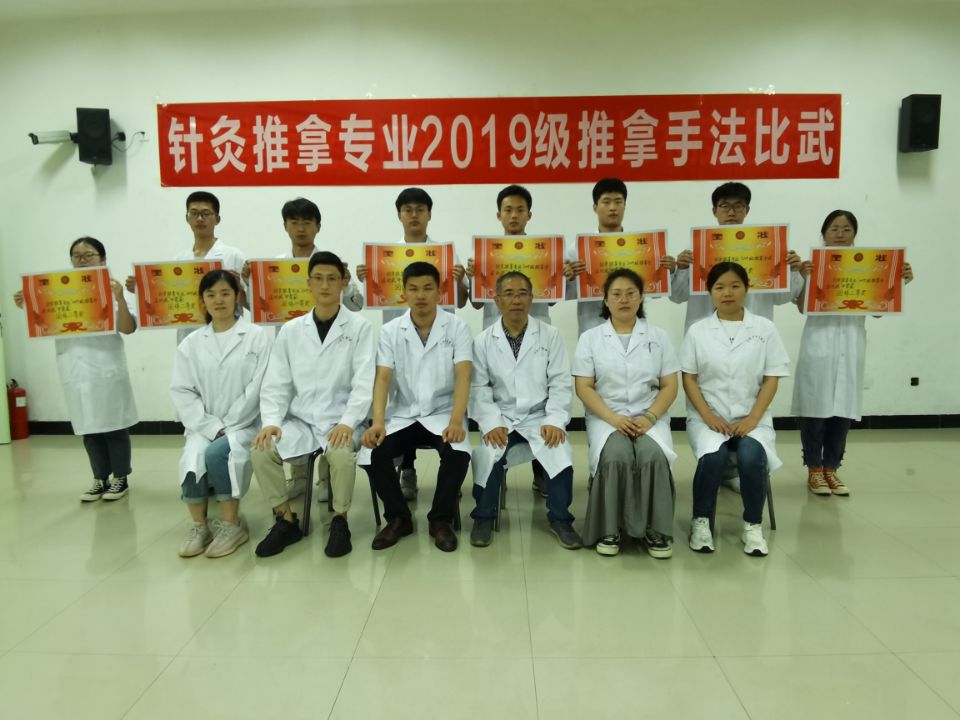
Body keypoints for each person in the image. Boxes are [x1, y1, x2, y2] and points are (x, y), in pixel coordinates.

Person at [250, 251, 374, 558]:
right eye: (318, 278)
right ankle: (285, 519)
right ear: (308, 283)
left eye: (332, 278)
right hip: (302, 420)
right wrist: (271, 422)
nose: (325, 285)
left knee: (341, 455)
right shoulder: (291, 330)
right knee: (261, 449)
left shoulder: (359, 328)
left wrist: (348, 422)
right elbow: (276, 383)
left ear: (343, 283)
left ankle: (340, 520)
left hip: (341, 419)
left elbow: (364, 382)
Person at [241, 197, 363, 507]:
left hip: (333, 355)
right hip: (296, 345)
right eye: (294, 222)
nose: (300, 228)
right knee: (294, 405)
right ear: (285, 226)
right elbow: (257, 309)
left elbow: (356, 305)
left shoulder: (332, 265)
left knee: (333, 429)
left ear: (317, 226)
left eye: (307, 222)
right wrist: (248, 284)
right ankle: (297, 484)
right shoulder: (272, 268)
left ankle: (328, 481)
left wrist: (347, 283)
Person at [355, 187, 468, 502]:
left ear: (429, 214)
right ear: (399, 215)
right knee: (402, 401)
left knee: (429, 399)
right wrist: (365, 279)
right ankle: (407, 468)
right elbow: (360, 301)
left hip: (436, 334)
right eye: (408, 210)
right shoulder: (383, 256)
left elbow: (461, 300)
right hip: (400, 337)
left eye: (420, 209)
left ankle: (444, 486)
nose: (414, 215)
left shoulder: (446, 254)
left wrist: (460, 279)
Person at [792, 210, 914, 496]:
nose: (840, 234)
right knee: (814, 411)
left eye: (847, 229)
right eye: (834, 228)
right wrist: (806, 277)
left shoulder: (871, 267)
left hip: (851, 347)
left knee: (842, 412)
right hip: (819, 348)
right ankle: (814, 469)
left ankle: (832, 468)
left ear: (854, 234)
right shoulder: (812, 265)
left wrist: (897, 282)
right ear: (824, 233)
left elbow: (879, 311)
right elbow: (801, 307)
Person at [14, 237, 138, 502]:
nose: (82, 260)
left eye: (88, 255)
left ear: (102, 259)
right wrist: (27, 301)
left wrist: (120, 299)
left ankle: (121, 477)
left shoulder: (113, 289)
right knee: (87, 426)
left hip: (106, 368)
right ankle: (99, 478)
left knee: (114, 425)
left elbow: (128, 328)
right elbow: (42, 320)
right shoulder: (55, 290)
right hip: (74, 369)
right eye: (77, 256)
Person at [360, 262, 472, 552]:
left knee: (458, 452)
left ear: (439, 292)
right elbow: (383, 378)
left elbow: (463, 374)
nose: (420, 295)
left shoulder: (457, 327)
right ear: (404, 293)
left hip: (443, 413)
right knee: (373, 452)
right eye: (413, 289)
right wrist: (377, 422)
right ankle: (399, 518)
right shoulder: (390, 331)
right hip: (405, 413)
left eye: (427, 288)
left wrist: (456, 420)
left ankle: (440, 520)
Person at [681, 262, 790, 557]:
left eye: (734, 286)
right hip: (708, 417)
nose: (727, 293)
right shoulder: (698, 331)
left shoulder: (765, 329)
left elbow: (772, 377)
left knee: (751, 456)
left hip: (752, 416)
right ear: (710, 292)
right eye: (719, 287)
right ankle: (701, 521)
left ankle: (752, 525)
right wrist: (708, 416)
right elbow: (689, 378)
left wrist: (753, 418)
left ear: (746, 289)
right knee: (713, 457)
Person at [468, 271, 581, 549]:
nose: (516, 300)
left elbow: (560, 383)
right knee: (489, 454)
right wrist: (491, 422)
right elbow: (479, 388)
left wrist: (555, 420)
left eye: (522, 294)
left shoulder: (550, 335)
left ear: (531, 299)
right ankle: (484, 516)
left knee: (559, 451)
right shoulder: (483, 341)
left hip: (539, 416)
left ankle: (560, 518)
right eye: (509, 294)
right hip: (502, 417)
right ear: (497, 300)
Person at [573, 268, 679, 557]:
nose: (623, 300)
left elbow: (670, 385)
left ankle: (656, 529)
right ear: (605, 300)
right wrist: (613, 419)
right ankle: (609, 529)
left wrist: (650, 417)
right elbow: (584, 386)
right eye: (616, 294)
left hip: (649, 415)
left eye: (630, 293)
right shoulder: (590, 338)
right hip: (606, 416)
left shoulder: (658, 337)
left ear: (641, 298)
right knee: (616, 456)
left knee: (653, 456)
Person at [169, 269, 272, 558]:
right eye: (211, 294)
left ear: (237, 296)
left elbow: (259, 386)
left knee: (217, 454)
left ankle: (231, 524)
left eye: (225, 293)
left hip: (244, 423)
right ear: (202, 300)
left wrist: (228, 425)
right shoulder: (191, 344)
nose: (219, 300)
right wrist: (211, 426)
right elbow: (182, 390)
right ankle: (199, 526)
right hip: (204, 424)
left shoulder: (256, 337)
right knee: (192, 458)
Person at [467, 184, 553, 494]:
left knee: (539, 400)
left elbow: (553, 297)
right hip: (496, 335)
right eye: (508, 210)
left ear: (529, 215)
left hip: (535, 334)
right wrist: (473, 277)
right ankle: (495, 471)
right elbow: (476, 303)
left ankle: (542, 474)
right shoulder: (484, 254)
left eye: (520, 210)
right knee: (496, 397)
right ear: (499, 215)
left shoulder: (545, 253)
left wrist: (560, 273)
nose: (514, 215)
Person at [669, 182, 802, 334]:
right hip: (706, 335)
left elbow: (781, 298)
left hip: (753, 333)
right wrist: (682, 269)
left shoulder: (767, 248)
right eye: (724, 206)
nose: (731, 212)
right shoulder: (697, 250)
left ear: (747, 210)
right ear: (714, 210)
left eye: (738, 206)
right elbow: (677, 297)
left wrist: (792, 271)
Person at [126, 190, 247, 344]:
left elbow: (253, 305)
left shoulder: (234, 256)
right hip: (189, 339)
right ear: (187, 218)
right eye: (194, 213)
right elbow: (167, 302)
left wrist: (239, 289)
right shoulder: (178, 261)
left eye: (206, 213)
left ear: (217, 219)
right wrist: (143, 290)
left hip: (228, 337)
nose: (200, 219)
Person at [563, 178, 677, 337]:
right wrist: (568, 277)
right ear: (595, 207)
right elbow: (567, 294)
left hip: (633, 326)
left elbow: (656, 292)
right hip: (593, 326)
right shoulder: (578, 248)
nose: (612, 208)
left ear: (625, 205)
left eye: (618, 202)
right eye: (606, 202)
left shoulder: (641, 247)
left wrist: (668, 270)